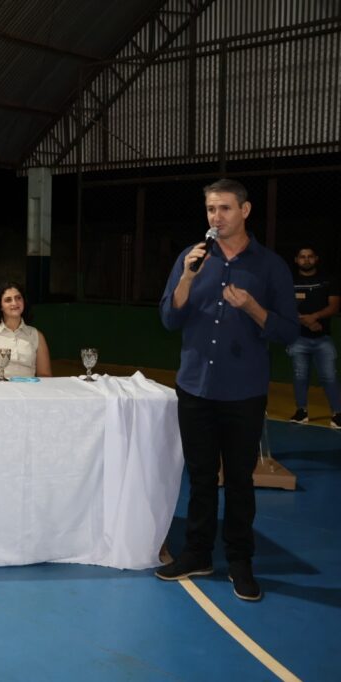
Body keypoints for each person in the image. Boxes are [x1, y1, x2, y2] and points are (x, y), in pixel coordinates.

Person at [157, 178, 299, 602]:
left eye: (224, 209)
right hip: (195, 387)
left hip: (243, 392)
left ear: (245, 211)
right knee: (200, 478)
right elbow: (168, 318)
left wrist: (253, 308)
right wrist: (185, 278)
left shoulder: (270, 266)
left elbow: (289, 330)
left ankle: (240, 560)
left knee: (238, 480)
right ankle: (198, 553)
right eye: (210, 210)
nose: (216, 217)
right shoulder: (191, 258)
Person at [287, 245, 341, 427]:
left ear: (316, 259)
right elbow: (285, 307)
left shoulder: (328, 280)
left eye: (310, 256)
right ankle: (301, 412)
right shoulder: (290, 281)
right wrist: (306, 321)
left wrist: (314, 317)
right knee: (300, 376)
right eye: (302, 257)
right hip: (298, 339)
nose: (306, 259)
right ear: (296, 260)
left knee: (329, 377)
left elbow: (334, 306)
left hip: (323, 339)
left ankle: (337, 414)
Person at [0, 282, 52, 378]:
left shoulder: (36, 335)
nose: (15, 303)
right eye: (8, 300)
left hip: (29, 390)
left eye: (18, 298)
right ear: (0, 306)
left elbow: (45, 375)